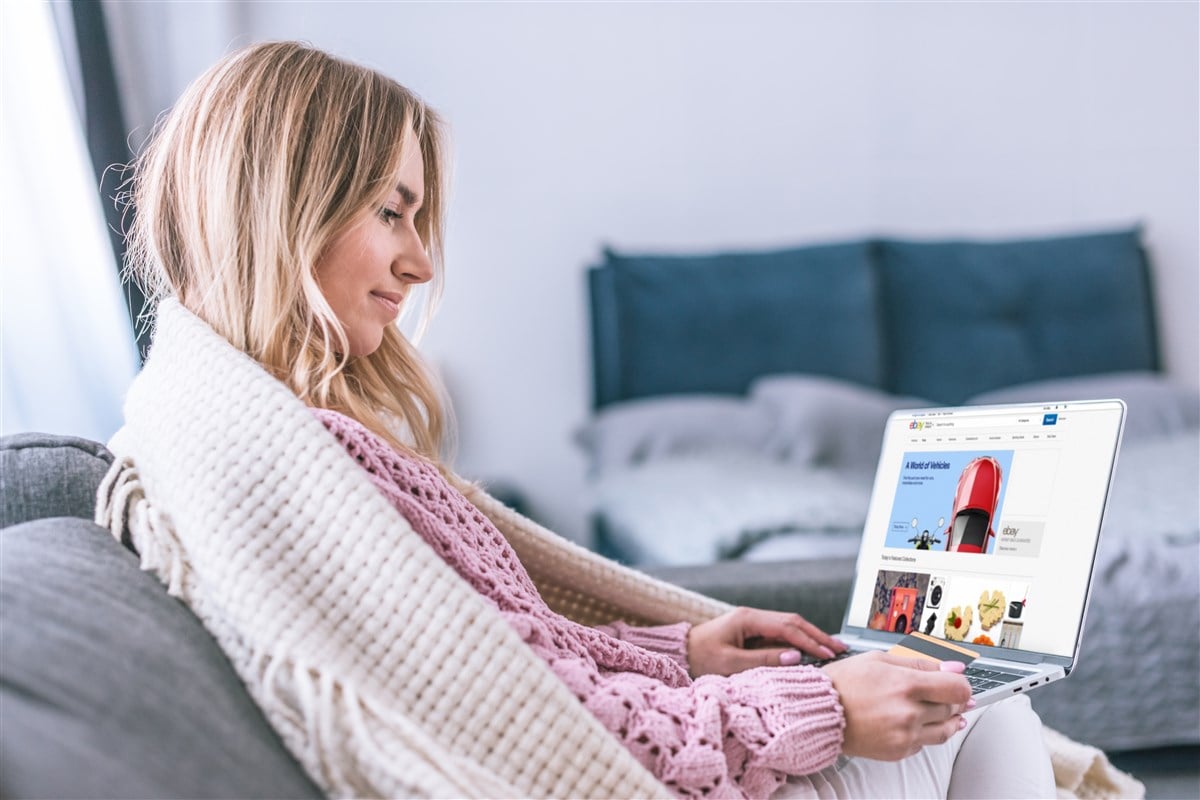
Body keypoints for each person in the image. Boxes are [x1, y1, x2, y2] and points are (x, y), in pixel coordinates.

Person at [121, 41, 1055, 799]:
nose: (419, 263)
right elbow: (531, 724)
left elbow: (511, 661)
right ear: (285, 210)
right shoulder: (303, 469)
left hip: (668, 728)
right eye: (390, 213)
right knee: (989, 711)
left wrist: (683, 651)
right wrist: (823, 709)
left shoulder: (262, 433)